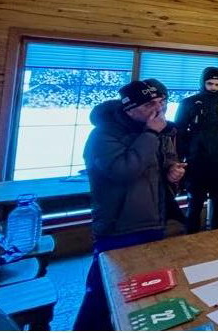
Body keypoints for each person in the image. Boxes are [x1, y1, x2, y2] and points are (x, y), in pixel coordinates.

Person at [74, 80, 186, 330]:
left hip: (153, 219)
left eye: (161, 102)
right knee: (103, 292)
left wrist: (171, 173)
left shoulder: (154, 131)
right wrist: (150, 134)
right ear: (130, 108)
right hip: (120, 226)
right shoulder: (104, 135)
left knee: (145, 289)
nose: (158, 109)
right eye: (149, 104)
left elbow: (159, 168)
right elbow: (123, 170)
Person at [174, 67, 218, 233]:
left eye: (217, 84)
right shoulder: (188, 103)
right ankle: (191, 239)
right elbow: (179, 132)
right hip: (196, 160)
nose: (213, 87)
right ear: (202, 82)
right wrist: (181, 158)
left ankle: (217, 237)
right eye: (210, 83)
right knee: (195, 205)